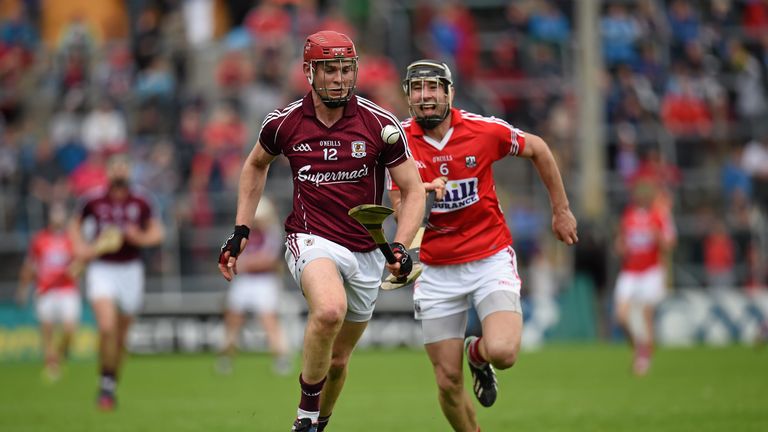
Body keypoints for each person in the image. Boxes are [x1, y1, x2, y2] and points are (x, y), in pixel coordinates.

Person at [217, 30, 425, 432]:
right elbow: (255, 165)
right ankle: (305, 418)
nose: (339, 79)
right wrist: (241, 229)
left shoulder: (380, 125)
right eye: (329, 69)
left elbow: (414, 190)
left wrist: (401, 244)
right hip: (310, 239)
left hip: (367, 251)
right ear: (309, 72)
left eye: (346, 69)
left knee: (338, 361)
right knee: (329, 310)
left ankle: (319, 423)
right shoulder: (284, 124)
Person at [388, 60, 578, 432]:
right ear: (408, 96)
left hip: (489, 257)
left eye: (434, 89)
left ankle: (477, 354)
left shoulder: (482, 130)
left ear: (449, 93)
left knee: (504, 352)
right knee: (447, 383)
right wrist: (419, 198)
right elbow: (400, 211)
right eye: (417, 90)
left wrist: (561, 210)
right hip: (436, 269)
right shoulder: (399, 144)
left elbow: (538, 148)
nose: (426, 97)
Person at [69, 154, 165, 410]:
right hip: (102, 268)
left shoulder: (142, 200)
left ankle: (110, 381)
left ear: (130, 171)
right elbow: (74, 226)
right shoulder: (93, 199)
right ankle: (106, 384)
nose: (120, 173)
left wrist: (139, 238)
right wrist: (80, 248)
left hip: (131, 270)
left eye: (124, 168)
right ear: (108, 172)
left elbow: (157, 233)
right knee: (107, 327)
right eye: (116, 168)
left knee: (121, 338)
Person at [216, 196, 292, 376]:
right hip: (245, 280)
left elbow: (270, 261)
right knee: (233, 320)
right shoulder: (244, 234)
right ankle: (226, 358)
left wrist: (247, 263)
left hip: (264, 281)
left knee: (269, 321)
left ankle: (281, 359)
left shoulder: (272, 233)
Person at [613, 181, 674, 376]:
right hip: (630, 271)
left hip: (651, 271)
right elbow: (620, 243)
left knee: (646, 314)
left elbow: (668, 245)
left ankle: (644, 355)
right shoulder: (629, 216)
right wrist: (621, 247)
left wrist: (658, 238)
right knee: (621, 316)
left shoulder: (658, 216)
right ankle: (638, 348)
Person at [16, 202, 80, 382]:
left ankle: (59, 356)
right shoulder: (39, 239)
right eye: (55, 212)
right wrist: (22, 289)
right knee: (47, 330)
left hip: (67, 289)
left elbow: (80, 264)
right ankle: (51, 365)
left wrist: (76, 269)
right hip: (45, 290)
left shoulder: (71, 239)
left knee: (69, 330)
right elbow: (29, 266)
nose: (58, 216)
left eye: (61, 212)